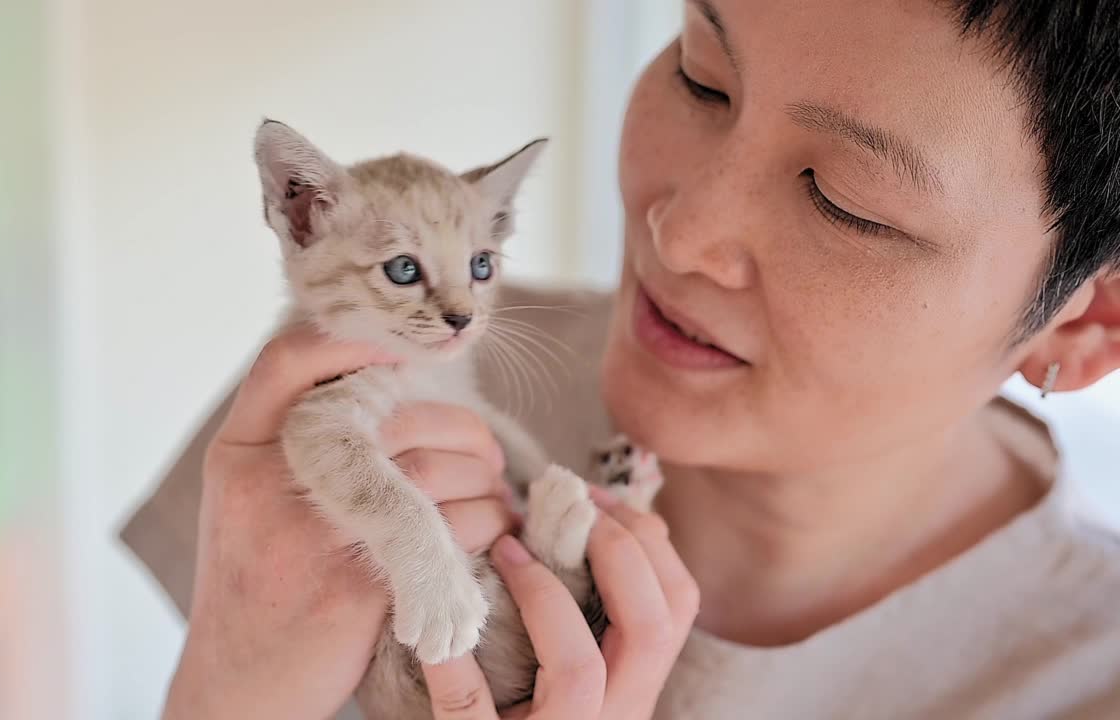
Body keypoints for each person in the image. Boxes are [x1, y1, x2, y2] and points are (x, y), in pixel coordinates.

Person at [122, 1, 1120, 717]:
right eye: (698, 71)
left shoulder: (1083, 681)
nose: (677, 234)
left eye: (841, 198)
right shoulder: (360, 368)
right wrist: (226, 689)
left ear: (1085, 324)